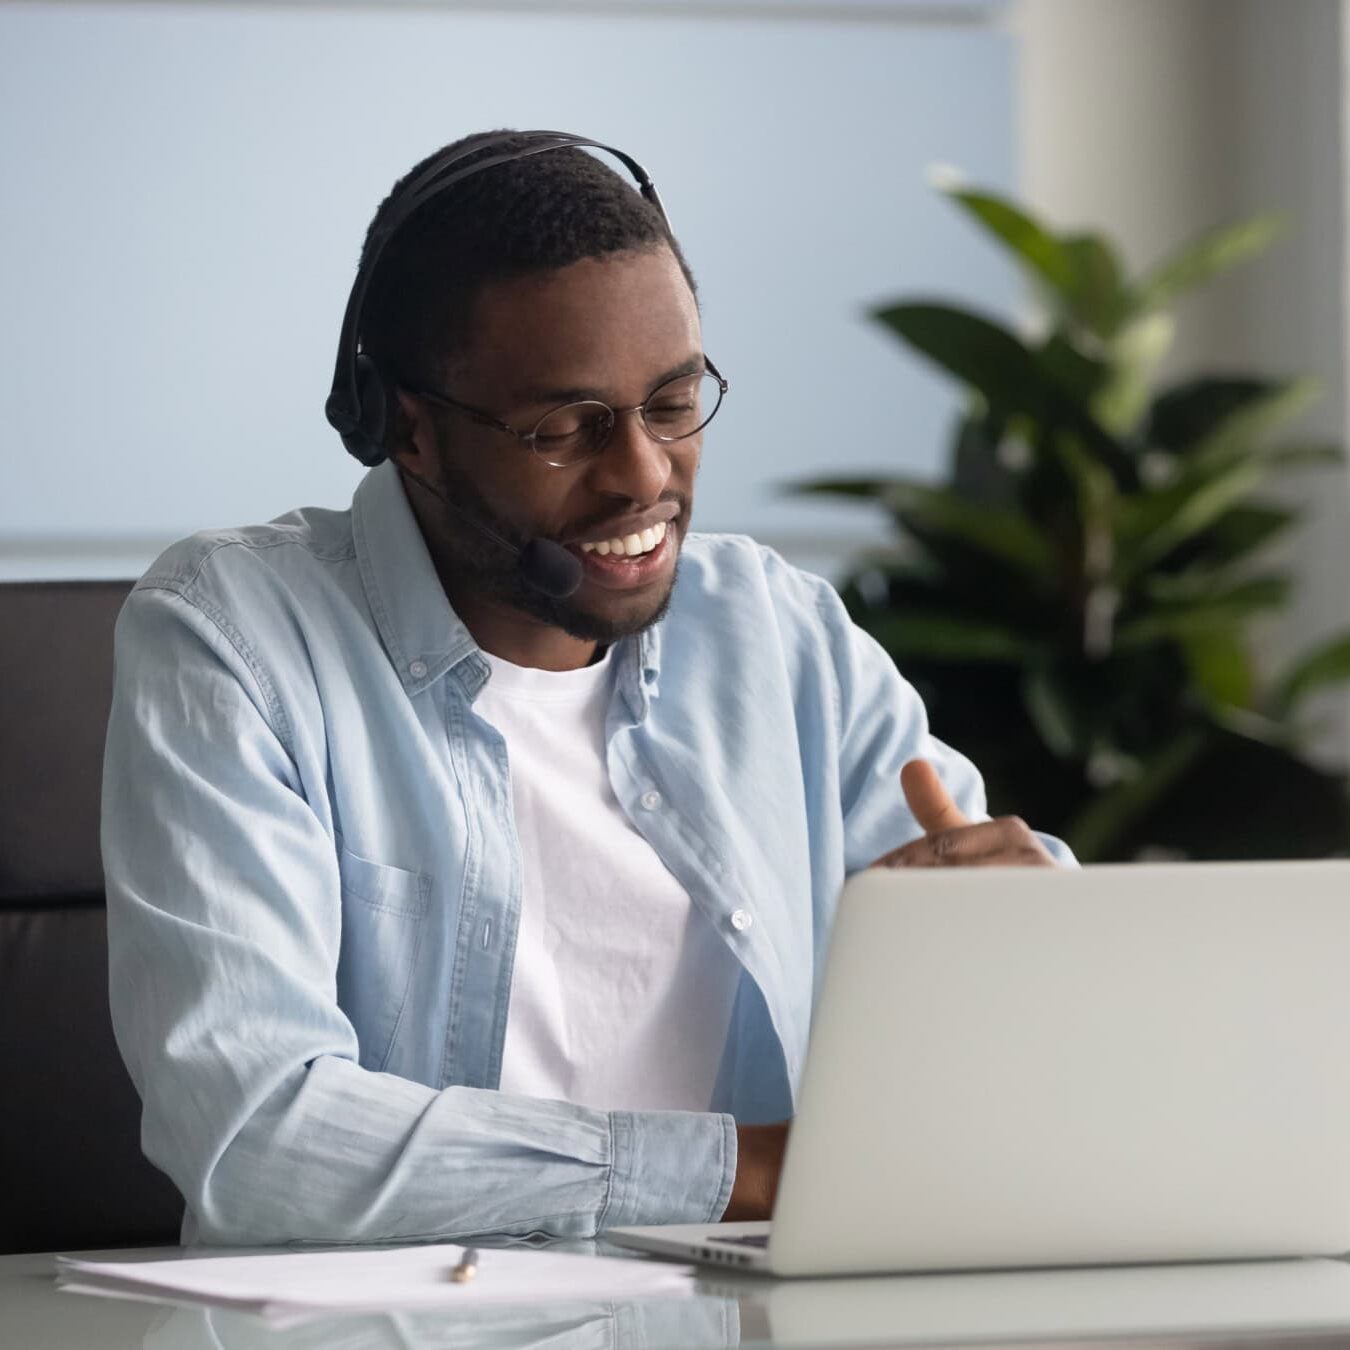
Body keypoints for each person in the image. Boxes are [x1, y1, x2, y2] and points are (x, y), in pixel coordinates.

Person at [102, 130, 1072, 1248]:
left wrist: (1028, 945)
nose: (645, 476)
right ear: (407, 429)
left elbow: (1022, 975)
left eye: (672, 404)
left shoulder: (779, 637)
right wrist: (743, 1171)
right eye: (566, 428)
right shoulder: (234, 638)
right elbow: (256, 1136)